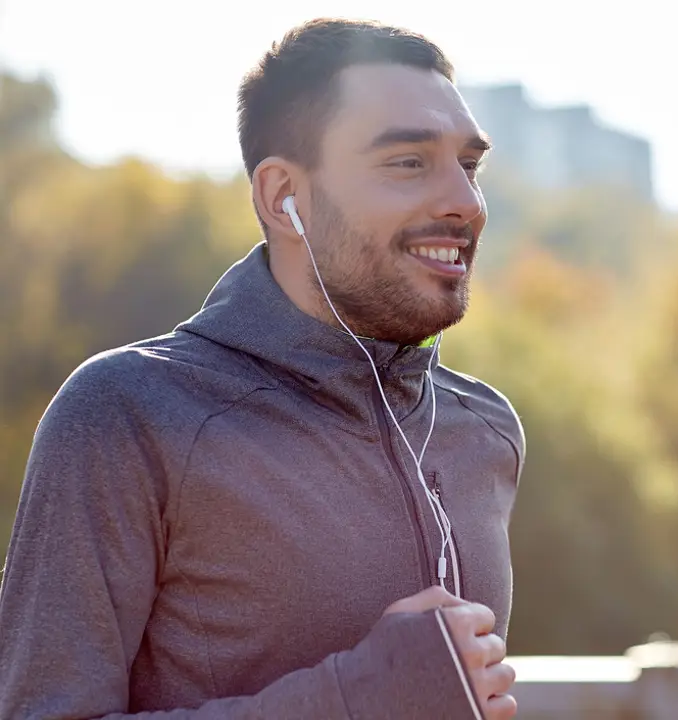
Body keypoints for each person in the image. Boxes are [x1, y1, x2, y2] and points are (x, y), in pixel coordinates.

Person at [0, 18, 524, 719]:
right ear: (284, 198)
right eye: (408, 162)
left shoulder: (483, 430)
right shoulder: (126, 415)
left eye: (469, 165)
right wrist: (358, 699)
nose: (465, 201)